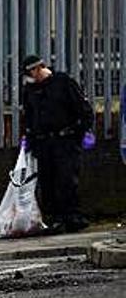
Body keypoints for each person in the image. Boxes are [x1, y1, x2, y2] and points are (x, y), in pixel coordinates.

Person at [22, 55, 93, 234]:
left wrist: (81, 131)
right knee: (48, 181)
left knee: (67, 179)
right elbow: (29, 115)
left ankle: (71, 217)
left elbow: (82, 109)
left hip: (65, 140)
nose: (29, 78)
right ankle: (55, 218)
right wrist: (30, 138)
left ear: (36, 69)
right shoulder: (31, 90)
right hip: (43, 141)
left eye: (30, 73)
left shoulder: (63, 82)